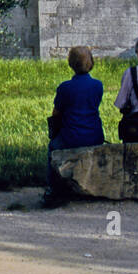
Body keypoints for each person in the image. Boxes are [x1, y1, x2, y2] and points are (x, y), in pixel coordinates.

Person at [42, 45, 105, 208]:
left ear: (71, 64)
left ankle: (53, 188)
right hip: (94, 134)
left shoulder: (65, 88)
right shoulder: (98, 86)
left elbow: (56, 113)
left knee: (52, 147)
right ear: (91, 63)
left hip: (71, 136)